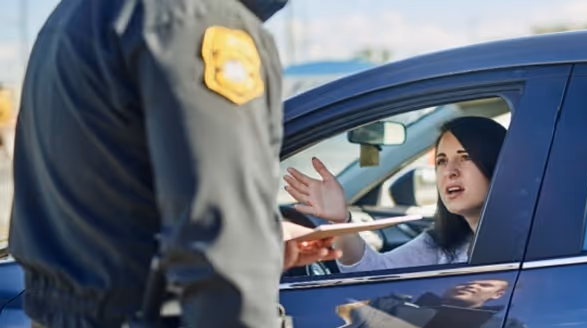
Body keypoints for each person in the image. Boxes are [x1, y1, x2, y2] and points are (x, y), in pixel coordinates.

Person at [8, 0, 340, 327]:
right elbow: (220, 248)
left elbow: (111, 200)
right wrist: (244, 245)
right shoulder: (198, 18)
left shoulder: (75, 15)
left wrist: (261, 238)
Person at [284, 116, 507, 272]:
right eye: (441, 161)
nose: (450, 171)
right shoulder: (441, 242)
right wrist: (340, 220)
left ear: (496, 163)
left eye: (465, 157)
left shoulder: (531, 243)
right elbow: (372, 275)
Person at [337, 279, 527, 328]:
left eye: (484, 285)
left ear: (497, 294)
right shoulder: (393, 303)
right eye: (465, 281)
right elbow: (346, 313)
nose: (472, 285)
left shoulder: (504, 325)